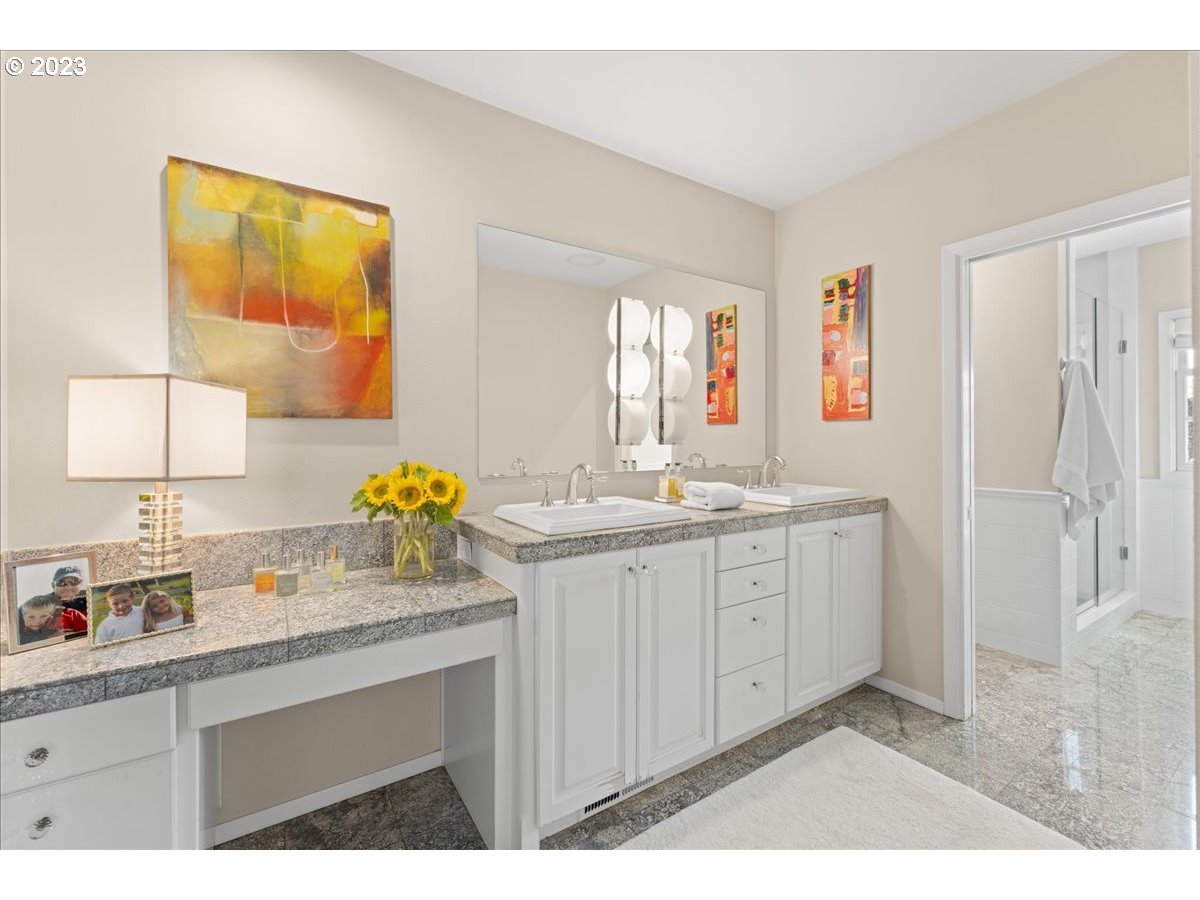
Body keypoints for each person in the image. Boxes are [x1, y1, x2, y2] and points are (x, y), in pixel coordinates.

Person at [18, 565, 89, 638]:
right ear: (53, 585)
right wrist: (48, 639)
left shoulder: (89, 599)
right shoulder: (37, 605)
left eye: (74, 582)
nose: (68, 587)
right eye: (61, 583)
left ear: (81, 584)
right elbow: (15, 636)